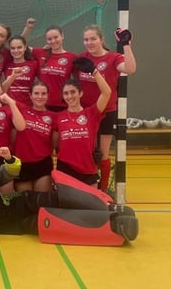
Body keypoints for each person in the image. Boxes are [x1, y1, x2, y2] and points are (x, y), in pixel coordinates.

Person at [0, 147, 138, 246]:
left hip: (23, 201)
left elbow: (11, 171)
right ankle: (113, 223)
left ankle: (108, 207)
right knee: (57, 219)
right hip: (18, 224)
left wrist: (9, 158)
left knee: (58, 199)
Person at [77, 25, 137, 191]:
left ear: (101, 40)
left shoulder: (113, 57)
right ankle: (86, 188)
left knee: (103, 153)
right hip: (85, 113)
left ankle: (102, 192)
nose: (89, 42)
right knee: (87, 152)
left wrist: (126, 44)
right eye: (86, 39)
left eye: (93, 39)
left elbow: (130, 69)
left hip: (106, 112)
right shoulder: (82, 58)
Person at [56, 57, 112, 186]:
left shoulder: (92, 113)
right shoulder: (58, 117)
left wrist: (94, 71)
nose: (70, 96)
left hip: (88, 168)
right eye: (66, 93)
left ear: (80, 93)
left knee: (90, 199)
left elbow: (107, 93)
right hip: (65, 168)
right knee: (67, 199)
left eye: (73, 92)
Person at [12, 81, 57, 192]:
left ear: (48, 95)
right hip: (22, 163)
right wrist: (12, 77)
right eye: (36, 93)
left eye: (43, 94)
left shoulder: (54, 116)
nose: (40, 97)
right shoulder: (21, 110)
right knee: (25, 199)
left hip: (42, 163)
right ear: (30, 95)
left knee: (41, 199)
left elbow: (55, 143)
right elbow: (1, 94)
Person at [22, 20, 77, 112]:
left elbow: (77, 80)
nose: (53, 41)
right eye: (49, 39)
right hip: (41, 103)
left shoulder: (72, 57)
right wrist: (28, 28)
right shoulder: (41, 52)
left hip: (62, 105)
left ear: (62, 36)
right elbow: (20, 44)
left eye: (56, 37)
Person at [2, 35, 39, 105]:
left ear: (25, 47)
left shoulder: (34, 64)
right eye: (13, 48)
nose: (16, 51)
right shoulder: (6, 64)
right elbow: (1, 90)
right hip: (9, 105)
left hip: (27, 106)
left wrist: (48, 48)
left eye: (19, 47)